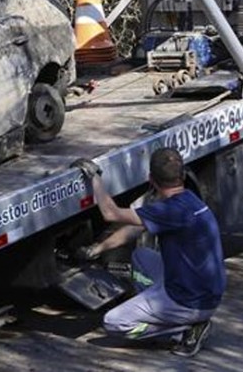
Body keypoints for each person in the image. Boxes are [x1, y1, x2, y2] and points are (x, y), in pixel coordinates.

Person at [73, 147, 226, 358]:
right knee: (140, 256)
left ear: (151, 179)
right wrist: (99, 248)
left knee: (114, 322)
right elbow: (137, 228)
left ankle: (183, 330)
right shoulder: (187, 199)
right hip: (205, 290)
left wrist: (94, 177)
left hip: (190, 300)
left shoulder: (170, 210)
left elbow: (111, 213)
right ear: (182, 175)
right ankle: (168, 313)